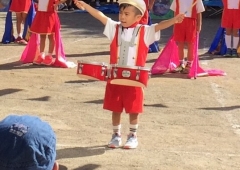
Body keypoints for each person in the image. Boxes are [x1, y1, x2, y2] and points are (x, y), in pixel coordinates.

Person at [74, 0, 184, 149]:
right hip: (115, 77)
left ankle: (133, 136)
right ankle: (116, 135)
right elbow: (100, 16)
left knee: (134, 108)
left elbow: (160, 25)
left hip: (135, 79)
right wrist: (85, 6)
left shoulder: (145, 31)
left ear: (138, 17)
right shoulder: (114, 28)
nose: (122, 17)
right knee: (115, 107)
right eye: (121, 13)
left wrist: (174, 20)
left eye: (126, 14)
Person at [170, 0, 205, 74]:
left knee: (190, 43)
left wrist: (199, 25)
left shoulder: (197, 0)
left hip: (191, 22)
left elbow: (199, 13)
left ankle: (189, 64)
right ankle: (180, 63)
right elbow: (175, 12)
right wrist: (174, 23)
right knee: (180, 43)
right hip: (179, 22)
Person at [30, 0, 65, 65]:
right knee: (42, 36)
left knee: (51, 36)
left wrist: (57, 4)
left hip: (50, 14)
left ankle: (49, 56)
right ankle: (41, 55)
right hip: (41, 13)